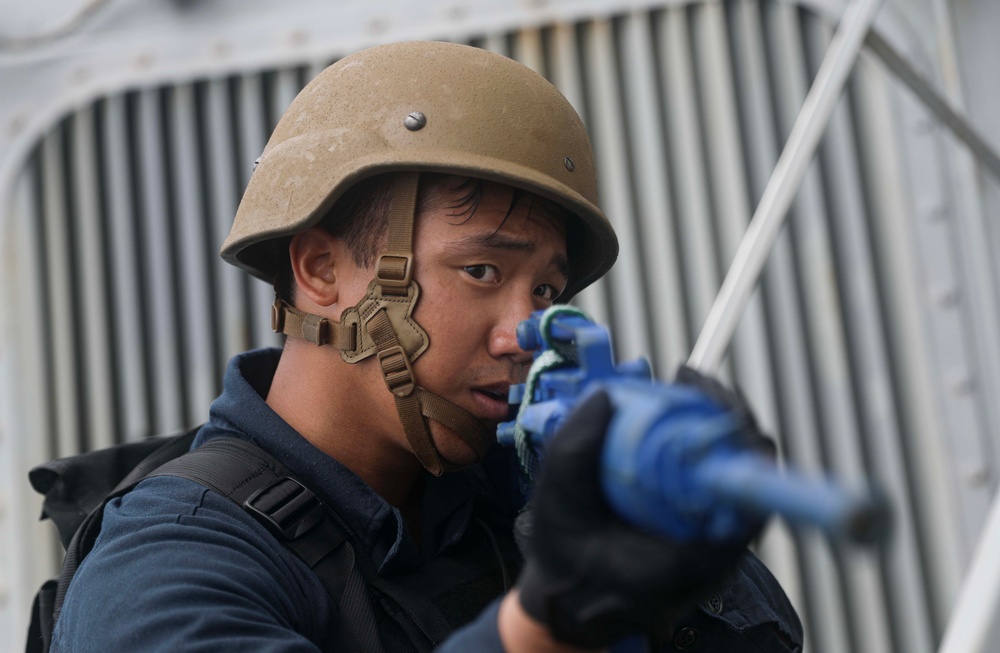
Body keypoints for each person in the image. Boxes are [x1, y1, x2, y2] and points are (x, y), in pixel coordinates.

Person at [50, 41, 802, 651]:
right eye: (481, 270)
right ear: (319, 270)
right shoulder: (167, 567)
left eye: (545, 289)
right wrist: (550, 618)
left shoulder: (506, 491)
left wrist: (689, 553)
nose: (522, 332)